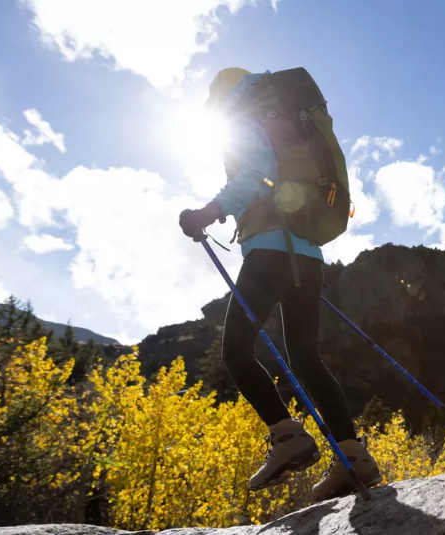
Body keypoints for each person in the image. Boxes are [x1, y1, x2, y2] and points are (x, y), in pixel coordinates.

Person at [178, 68, 382, 500]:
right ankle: (353, 455)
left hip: (270, 251)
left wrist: (209, 211)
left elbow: (258, 172)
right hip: (308, 257)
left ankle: (287, 436)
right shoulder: (279, 116)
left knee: (235, 349)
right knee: (306, 358)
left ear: (223, 99)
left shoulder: (244, 118)